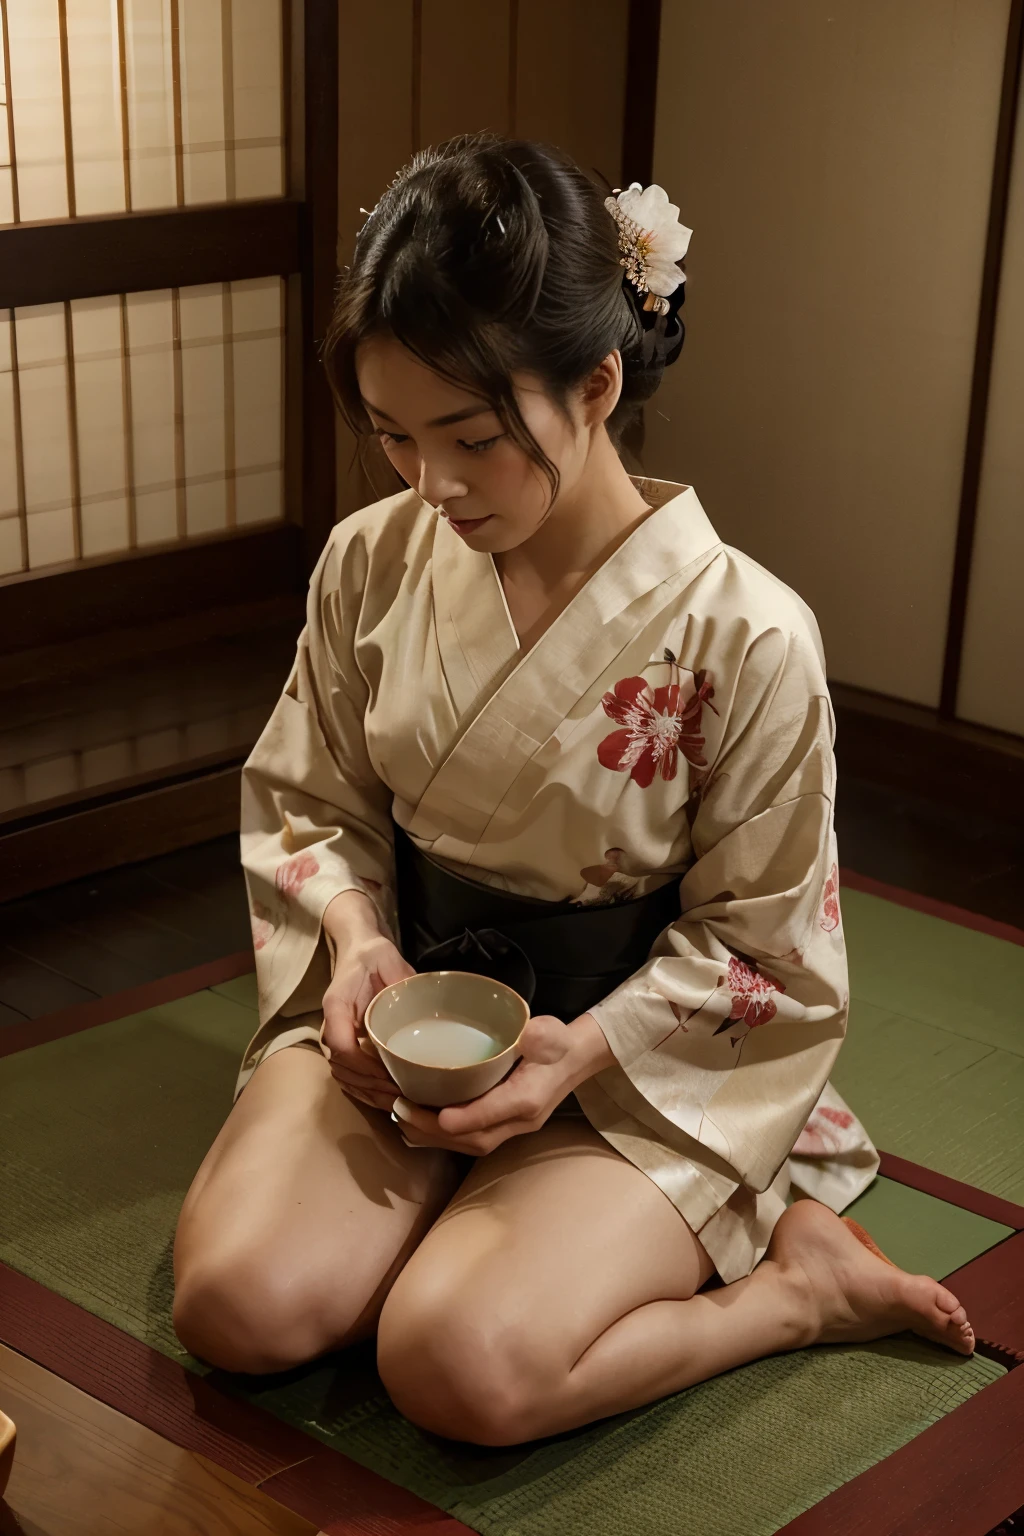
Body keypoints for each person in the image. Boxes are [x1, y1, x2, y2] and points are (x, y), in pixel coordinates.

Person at [172, 132, 974, 1447]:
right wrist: (363, 946)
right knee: (237, 1306)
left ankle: (790, 1296)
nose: (430, 484)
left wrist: (580, 1054)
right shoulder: (370, 564)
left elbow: (765, 947)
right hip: (405, 1023)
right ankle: (442, 1211)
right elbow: (310, 798)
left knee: (455, 1368)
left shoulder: (748, 636)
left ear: (596, 384)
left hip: (627, 1063)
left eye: (472, 438)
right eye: (392, 437)